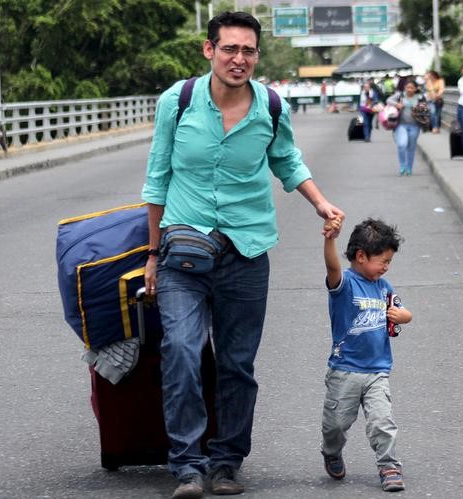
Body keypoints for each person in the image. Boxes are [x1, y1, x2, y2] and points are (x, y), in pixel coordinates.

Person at [141, 11, 345, 499]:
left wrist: (320, 202)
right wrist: (152, 255)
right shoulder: (179, 100)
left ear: (257, 55)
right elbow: (157, 177)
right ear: (209, 50)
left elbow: (287, 159)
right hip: (183, 250)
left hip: (247, 252)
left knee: (237, 363)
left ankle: (226, 461)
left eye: (248, 51)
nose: (239, 59)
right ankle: (187, 465)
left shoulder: (271, 107)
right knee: (182, 353)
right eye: (229, 48)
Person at [319, 217, 413, 493]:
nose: (386, 267)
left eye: (389, 262)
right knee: (335, 425)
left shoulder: (384, 287)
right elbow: (332, 266)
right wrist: (330, 239)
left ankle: (389, 465)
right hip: (344, 370)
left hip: (377, 370)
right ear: (361, 256)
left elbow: (402, 311)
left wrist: (404, 316)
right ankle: (331, 451)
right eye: (383, 261)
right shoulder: (344, 284)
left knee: (382, 421)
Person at [386, 79, 424, 176]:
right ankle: (402, 165)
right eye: (407, 87)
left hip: (415, 126)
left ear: (415, 89)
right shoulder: (400, 95)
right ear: (404, 88)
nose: (409, 89)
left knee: (411, 147)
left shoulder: (420, 97)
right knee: (402, 144)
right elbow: (388, 100)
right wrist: (397, 104)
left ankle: (409, 168)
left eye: (412, 88)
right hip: (401, 125)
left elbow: (427, 108)